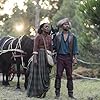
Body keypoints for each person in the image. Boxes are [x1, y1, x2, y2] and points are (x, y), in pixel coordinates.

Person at [53, 18, 78, 99]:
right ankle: (57, 93)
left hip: (68, 58)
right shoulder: (57, 36)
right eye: (64, 24)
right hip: (60, 57)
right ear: (61, 26)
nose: (66, 25)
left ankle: (70, 93)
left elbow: (75, 48)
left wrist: (75, 58)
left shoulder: (72, 36)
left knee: (69, 76)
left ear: (69, 26)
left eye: (67, 24)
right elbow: (54, 47)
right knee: (58, 75)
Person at [27, 23, 53, 98]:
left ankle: (44, 91)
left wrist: (52, 58)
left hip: (47, 57)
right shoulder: (38, 37)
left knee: (46, 74)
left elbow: (51, 48)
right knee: (38, 74)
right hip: (39, 56)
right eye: (46, 27)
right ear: (42, 28)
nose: (48, 28)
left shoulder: (49, 37)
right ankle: (37, 92)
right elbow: (35, 48)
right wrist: (35, 59)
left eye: (49, 27)